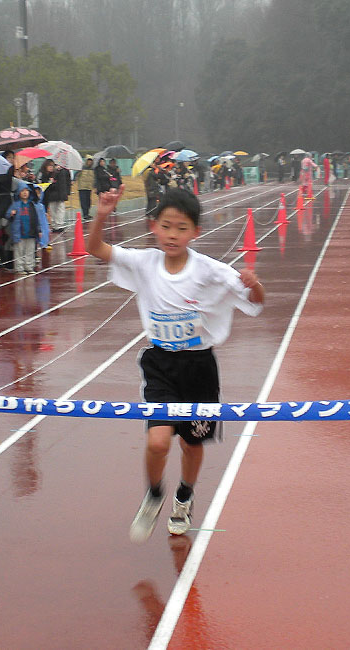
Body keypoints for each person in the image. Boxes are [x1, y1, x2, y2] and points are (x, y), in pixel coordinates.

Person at [86, 187, 265, 542]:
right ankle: (154, 495)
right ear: (154, 226)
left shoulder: (209, 270)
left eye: (181, 228)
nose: (172, 235)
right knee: (157, 443)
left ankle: (184, 496)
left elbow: (255, 301)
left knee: (191, 445)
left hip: (199, 367)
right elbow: (95, 249)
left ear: (195, 232)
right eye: (166, 226)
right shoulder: (144, 263)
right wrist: (103, 214)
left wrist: (255, 284)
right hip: (160, 364)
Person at [6, 185, 50, 274]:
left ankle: (29, 267)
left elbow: (36, 218)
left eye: (27, 191)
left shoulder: (32, 205)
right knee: (19, 251)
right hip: (19, 232)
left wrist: (39, 230)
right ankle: (19, 268)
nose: (25, 193)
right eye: (22, 191)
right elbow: (8, 216)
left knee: (30, 250)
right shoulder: (15, 204)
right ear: (19, 193)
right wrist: (11, 214)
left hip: (31, 232)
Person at [75, 156, 95, 220]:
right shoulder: (81, 168)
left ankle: (87, 213)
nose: (89, 162)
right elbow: (76, 175)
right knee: (83, 201)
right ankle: (85, 214)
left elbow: (94, 178)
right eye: (88, 161)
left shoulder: (93, 169)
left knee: (88, 201)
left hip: (89, 187)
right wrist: (73, 180)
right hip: (82, 187)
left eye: (91, 161)